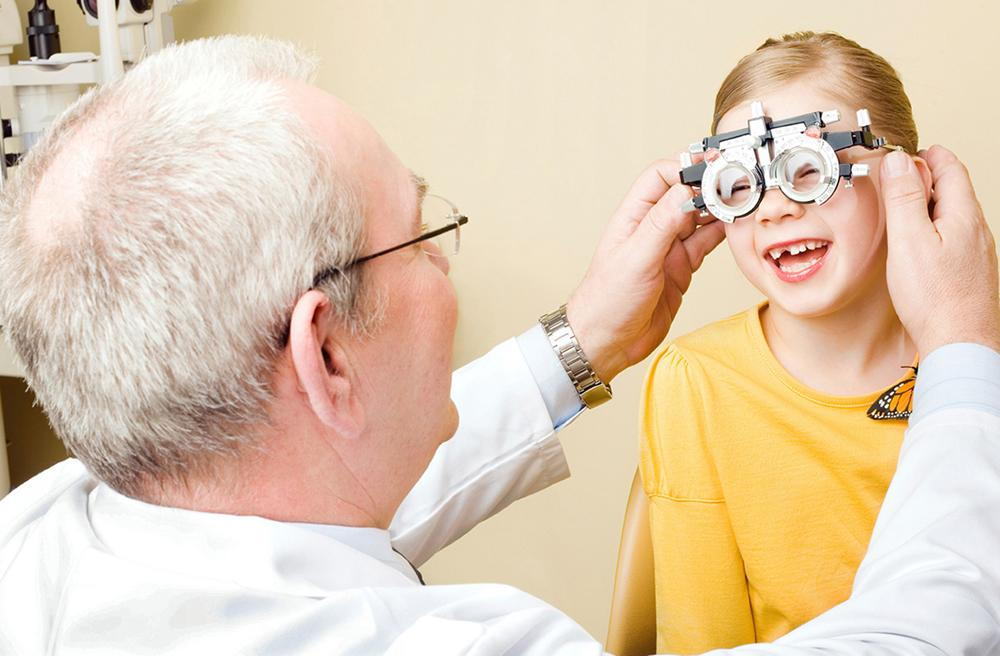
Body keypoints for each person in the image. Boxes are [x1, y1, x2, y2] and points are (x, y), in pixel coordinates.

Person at [0, 35, 997, 655]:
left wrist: (583, 343)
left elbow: (291, 485)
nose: (453, 266)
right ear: (326, 354)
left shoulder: (44, 529)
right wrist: (961, 348)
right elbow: (924, 632)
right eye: (426, 232)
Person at [638, 32, 958, 651]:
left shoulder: (976, 359)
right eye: (739, 184)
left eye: (807, 170)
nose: (775, 210)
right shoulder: (698, 382)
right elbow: (701, 641)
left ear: (906, 180)